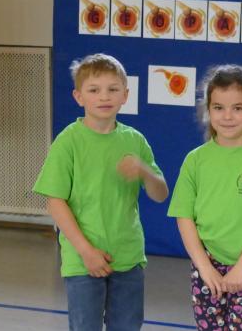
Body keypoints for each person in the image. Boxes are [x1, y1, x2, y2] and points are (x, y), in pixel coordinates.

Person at [33, 53, 169, 331]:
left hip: (128, 257)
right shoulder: (68, 141)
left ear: (125, 95)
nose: (104, 97)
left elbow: (160, 193)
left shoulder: (135, 140)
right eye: (94, 90)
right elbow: (55, 202)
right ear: (79, 96)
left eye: (112, 89)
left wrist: (144, 171)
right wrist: (86, 251)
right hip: (83, 260)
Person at [168, 65, 242, 330]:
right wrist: (204, 267)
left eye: (237, 107)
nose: (228, 116)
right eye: (219, 107)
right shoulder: (195, 161)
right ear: (208, 111)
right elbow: (184, 217)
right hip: (206, 266)